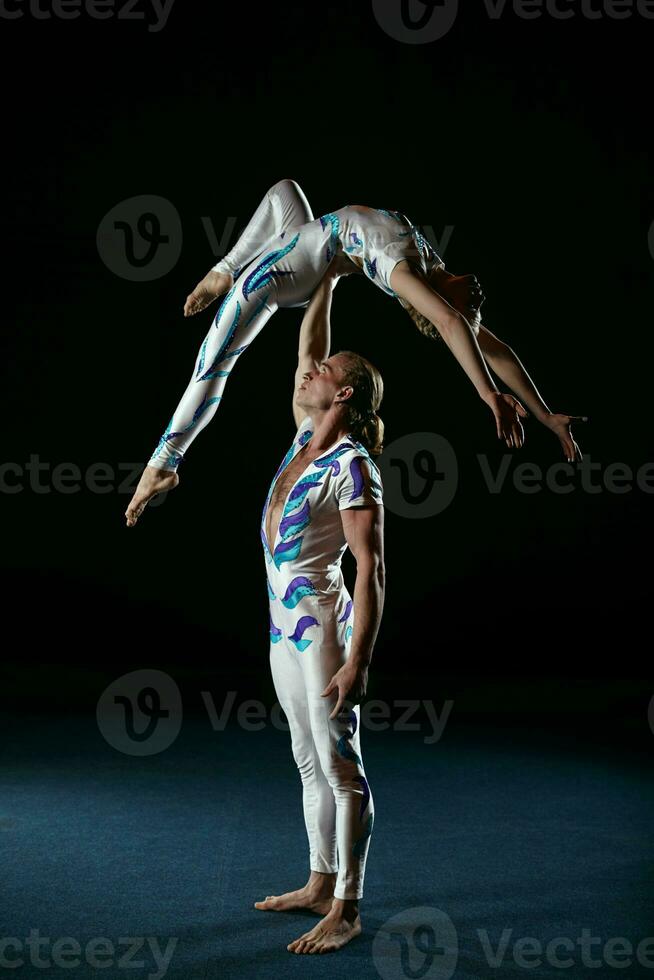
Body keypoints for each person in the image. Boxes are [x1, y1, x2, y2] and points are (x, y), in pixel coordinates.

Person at [124, 178, 587, 527]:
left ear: (448, 306)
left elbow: (453, 326)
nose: (480, 298)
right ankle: (227, 269)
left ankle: (163, 465)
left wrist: (488, 396)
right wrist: (545, 415)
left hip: (290, 271)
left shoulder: (404, 273)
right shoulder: (433, 266)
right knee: (285, 191)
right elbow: (496, 347)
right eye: (477, 308)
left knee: (214, 362)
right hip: (311, 243)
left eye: (474, 307)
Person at [253, 254, 384, 953]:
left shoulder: (352, 466)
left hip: (324, 631)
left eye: (325, 372)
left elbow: (372, 569)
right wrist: (326, 279)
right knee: (308, 759)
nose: (310, 371)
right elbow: (306, 347)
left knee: (342, 765)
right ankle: (317, 881)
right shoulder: (306, 436)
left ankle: (350, 907)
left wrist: (357, 660)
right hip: (283, 627)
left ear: (346, 394)